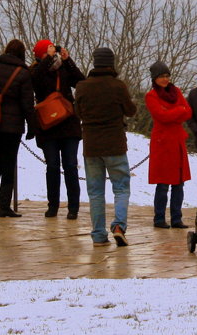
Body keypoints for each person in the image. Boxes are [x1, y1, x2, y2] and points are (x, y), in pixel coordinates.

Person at [74, 47, 137, 246]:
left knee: (95, 192)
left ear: (94, 63)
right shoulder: (118, 86)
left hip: (91, 146)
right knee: (121, 188)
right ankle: (119, 226)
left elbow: (78, 113)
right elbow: (131, 110)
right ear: (111, 63)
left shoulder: (82, 87)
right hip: (115, 145)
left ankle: (99, 235)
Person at [0, 39, 35, 218]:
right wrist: (32, 126)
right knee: (8, 165)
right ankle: (4, 207)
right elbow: (27, 105)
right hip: (12, 127)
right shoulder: (23, 74)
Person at [30, 39, 85, 219]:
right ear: (40, 55)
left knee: (70, 166)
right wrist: (48, 58)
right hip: (48, 126)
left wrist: (68, 60)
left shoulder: (63, 68)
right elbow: (36, 80)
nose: (52, 54)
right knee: (52, 167)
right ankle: (52, 205)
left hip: (68, 124)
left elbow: (80, 82)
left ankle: (73, 207)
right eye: (47, 51)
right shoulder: (35, 70)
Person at [145, 61, 192, 229]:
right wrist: (178, 111)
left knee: (178, 182)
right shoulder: (151, 96)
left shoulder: (176, 91)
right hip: (163, 143)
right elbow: (161, 116)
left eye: (167, 76)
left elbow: (188, 112)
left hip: (177, 141)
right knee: (163, 183)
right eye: (161, 76)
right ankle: (159, 219)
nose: (165, 79)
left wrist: (173, 113)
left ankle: (176, 218)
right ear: (154, 79)